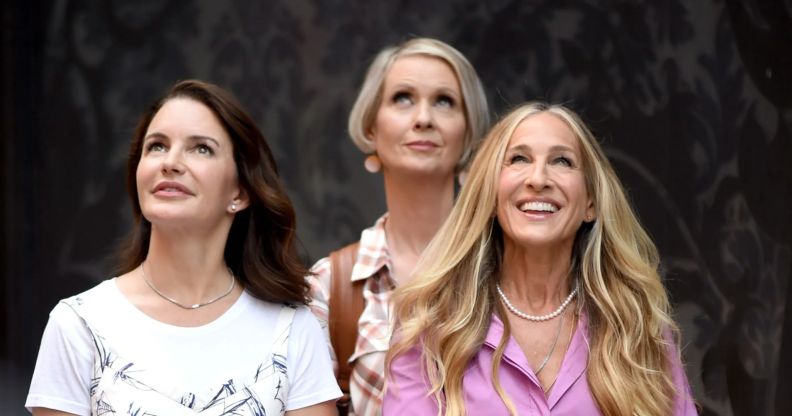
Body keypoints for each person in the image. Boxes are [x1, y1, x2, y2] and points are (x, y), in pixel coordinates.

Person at [26, 80, 341, 416]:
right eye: (157, 146)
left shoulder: (291, 329)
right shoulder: (79, 325)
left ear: (240, 193)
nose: (171, 162)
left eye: (201, 148)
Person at [384, 102, 698, 415]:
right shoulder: (432, 321)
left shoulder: (636, 323)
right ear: (491, 195)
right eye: (519, 159)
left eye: (562, 161)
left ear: (591, 201)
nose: (538, 178)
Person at [307, 37, 490, 416]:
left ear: (468, 134)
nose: (423, 119)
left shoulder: (507, 267)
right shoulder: (329, 287)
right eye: (403, 98)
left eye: (444, 101)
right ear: (372, 127)